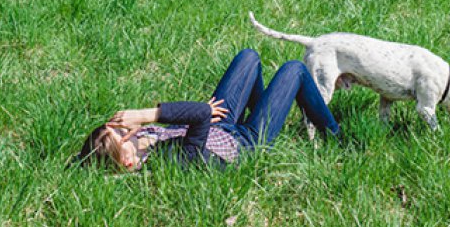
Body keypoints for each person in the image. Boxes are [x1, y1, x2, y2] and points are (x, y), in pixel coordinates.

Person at [76, 48, 339, 170]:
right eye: (122, 137)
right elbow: (199, 114)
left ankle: (267, 111)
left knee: (249, 57)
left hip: (218, 124)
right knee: (294, 69)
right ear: (127, 161)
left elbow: (197, 117)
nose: (128, 131)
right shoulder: (168, 162)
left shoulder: (145, 144)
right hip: (246, 143)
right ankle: (336, 137)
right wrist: (146, 114)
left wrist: (140, 129)